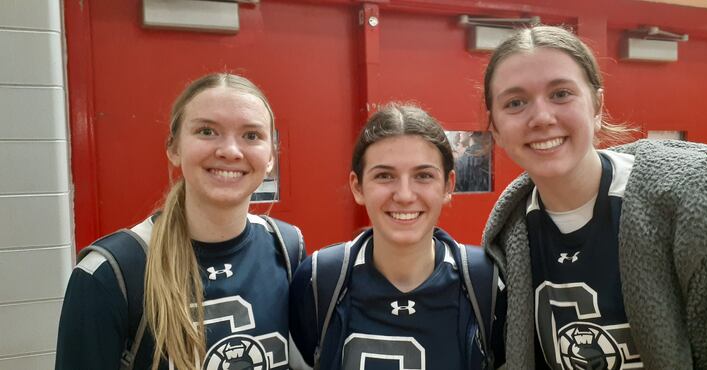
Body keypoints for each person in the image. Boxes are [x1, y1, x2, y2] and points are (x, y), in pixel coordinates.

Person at [481, 26, 707, 369]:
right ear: (496, 128)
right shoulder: (509, 235)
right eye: (515, 102)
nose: (542, 118)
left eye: (561, 94)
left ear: (597, 106)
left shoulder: (697, 197)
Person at [56, 73, 305, 370]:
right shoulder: (109, 274)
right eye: (207, 131)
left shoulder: (288, 248)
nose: (229, 150)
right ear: (174, 148)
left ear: (270, 160)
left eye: (251, 135)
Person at [289, 103, 505, 369]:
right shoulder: (317, 281)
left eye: (423, 175)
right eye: (384, 175)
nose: (404, 195)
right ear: (358, 187)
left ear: (448, 186)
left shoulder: (487, 283)